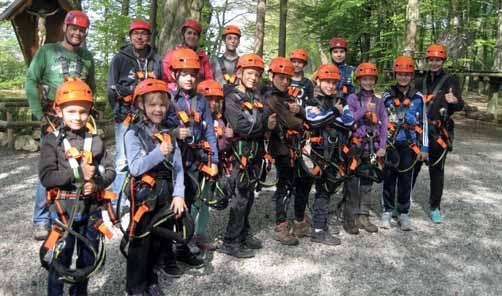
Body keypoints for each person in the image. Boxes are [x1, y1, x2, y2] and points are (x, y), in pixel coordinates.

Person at [39, 78, 115, 296]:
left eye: (83, 111)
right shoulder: (51, 142)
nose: (78, 117)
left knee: (87, 259)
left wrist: (96, 183)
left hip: (91, 212)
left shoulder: (96, 141)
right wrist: (78, 173)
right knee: (60, 261)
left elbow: (110, 171)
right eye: (71, 111)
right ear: (59, 111)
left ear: (90, 112)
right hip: (64, 213)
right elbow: (46, 177)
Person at [26, 10, 96, 240]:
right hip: (52, 117)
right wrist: (38, 112)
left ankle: (74, 209)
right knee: (50, 165)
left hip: (77, 117)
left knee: (78, 162)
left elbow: (91, 88)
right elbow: (31, 80)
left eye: (82, 30)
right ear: (65, 28)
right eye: (74, 28)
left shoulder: (87, 58)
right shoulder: (47, 52)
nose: (77, 33)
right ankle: (41, 219)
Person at [124, 79, 186, 296]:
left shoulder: (168, 133)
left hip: (165, 192)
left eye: (162, 104)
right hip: (144, 195)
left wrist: (179, 194)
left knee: (159, 240)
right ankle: (135, 287)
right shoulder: (133, 133)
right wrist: (159, 152)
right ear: (142, 105)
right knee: (141, 242)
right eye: (152, 105)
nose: (158, 109)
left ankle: (151, 279)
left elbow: (178, 167)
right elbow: (135, 167)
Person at [218, 53, 274, 258]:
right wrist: (263, 126)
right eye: (250, 73)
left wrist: (259, 126)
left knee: (249, 196)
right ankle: (230, 241)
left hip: (255, 154)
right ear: (240, 72)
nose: (254, 77)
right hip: (239, 155)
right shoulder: (232, 98)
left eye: (258, 74)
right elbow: (241, 126)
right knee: (240, 198)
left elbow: (267, 118)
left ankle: (243, 232)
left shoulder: (257, 97)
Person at [168, 47, 218, 268]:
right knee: (169, 208)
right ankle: (165, 251)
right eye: (184, 73)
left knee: (188, 205)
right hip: (172, 163)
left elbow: (209, 133)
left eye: (192, 74)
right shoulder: (168, 98)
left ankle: (181, 247)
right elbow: (154, 127)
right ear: (175, 75)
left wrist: (214, 160)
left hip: (194, 161)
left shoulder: (201, 101)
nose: (189, 78)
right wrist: (173, 133)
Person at [107, 19, 163, 209]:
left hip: (150, 119)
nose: (139, 37)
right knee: (123, 161)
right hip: (126, 116)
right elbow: (111, 89)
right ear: (130, 37)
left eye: (143, 33)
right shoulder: (120, 59)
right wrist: (119, 113)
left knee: (146, 156)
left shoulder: (156, 61)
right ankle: (117, 202)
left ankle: (140, 196)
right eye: (135, 33)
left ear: (149, 37)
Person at [413, 44, 464, 223]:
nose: (434, 63)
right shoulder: (420, 80)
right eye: (432, 60)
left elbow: (460, 105)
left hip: (439, 132)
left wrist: (455, 101)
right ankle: (403, 202)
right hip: (420, 131)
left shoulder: (451, 80)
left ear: (443, 61)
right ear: (428, 61)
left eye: (438, 60)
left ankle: (435, 207)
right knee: (413, 167)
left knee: (437, 170)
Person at [305, 64, 354, 245]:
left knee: (330, 187)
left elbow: (349, 122)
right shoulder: (312, 102)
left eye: (334, 82)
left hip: (337, 152)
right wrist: (334, 113)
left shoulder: (341, 101)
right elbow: (314, 121)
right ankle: (318, 229)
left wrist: (328, 117)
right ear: (318, 81)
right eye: (327, 81)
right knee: (323, 189)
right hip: (321, 153)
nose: (330, 86)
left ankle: (321, 225)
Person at [264, 57, 309, 246]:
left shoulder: (287, 97)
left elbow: (304, 115)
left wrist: (300, 111)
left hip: (294, 146)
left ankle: (298, 220)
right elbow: (290, 121)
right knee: (284, 185)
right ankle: (281, 225)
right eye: (281, 77)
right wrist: (303, 121)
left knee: (301, 181)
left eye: (287, 78)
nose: (284, 81)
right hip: (281, 148)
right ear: (272, 76)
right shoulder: (272, 98)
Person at [381, 56, 429, 231]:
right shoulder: (387, 95)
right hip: (391, 143)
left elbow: (423, 122)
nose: (403, 77)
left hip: (409, 144)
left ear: (412, 76)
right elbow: (381, 120)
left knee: (405, 179)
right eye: (400, 74)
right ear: (395, 74)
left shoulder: (418, 97)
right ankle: (387, 210)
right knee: (389, 177)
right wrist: (381, 144)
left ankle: (403, 212)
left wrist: (424, 147)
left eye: (407, 74)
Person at [344, 63, 388, 235]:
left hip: (372, 146)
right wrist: (363, 110)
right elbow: (349, 119)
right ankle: (351, 216)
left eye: (371, 79)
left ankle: (364, 215)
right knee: (353, 182)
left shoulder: (379, 102)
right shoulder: (353, 99)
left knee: (368, 182)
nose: (368, 82)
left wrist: (383, 146)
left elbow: (384, 125)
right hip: (356, 145)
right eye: (364, 79)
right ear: (359, 80)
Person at [162, 19, 214, 91]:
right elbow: (165, 77)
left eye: (195, 34)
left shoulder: (203, 58)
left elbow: (209, 79)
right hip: (176, 95)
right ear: (184, 35)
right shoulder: (172, 55)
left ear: (198, 37)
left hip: (198, 96)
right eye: (189, 33)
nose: (192, 36)